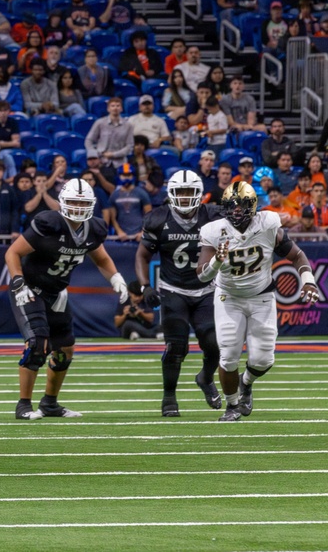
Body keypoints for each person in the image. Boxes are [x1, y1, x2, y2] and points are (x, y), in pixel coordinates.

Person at [6, 178, 128, 420]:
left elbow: (101, 259)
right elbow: (13, 252)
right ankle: (23, 405)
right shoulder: (49, 223)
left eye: (82, 203)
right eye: (73, 201)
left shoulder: (93, 228)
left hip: (57, 292)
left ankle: (50, 403)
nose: (78, 207)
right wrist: (18, 281)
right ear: (62, 202)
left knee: (65, 349)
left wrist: (116, 277)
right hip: (30, 288)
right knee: (37, 345)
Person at [198, 182, 320, 421]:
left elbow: (296, 255)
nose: (235, 211)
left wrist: (308, 280)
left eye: (241, 205)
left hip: (262, 296)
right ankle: (232, 406)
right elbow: (202, 275)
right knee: (229, 355)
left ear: (252, 206)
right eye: (231, 206)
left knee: (264, 359)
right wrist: (217, 262)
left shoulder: (268, 224)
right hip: (228, 297)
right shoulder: (213, 231)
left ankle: (246, 383)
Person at [134, 170, 223, 416]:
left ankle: (205, 378)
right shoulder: (158, 218)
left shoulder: (214, 216)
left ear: (199, 194)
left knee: (214, 344)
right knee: (175, 347)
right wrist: (145, 286)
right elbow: (142, 255)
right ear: (171, 194)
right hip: (173, 289)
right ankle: (169, 396)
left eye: (189, 192)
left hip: (206, 289)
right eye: (180, 193)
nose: (184, 198)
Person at [85, 97, 133, 168]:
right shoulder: (100, 123)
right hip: (101, 162)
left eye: (118, 106)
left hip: (121, 163)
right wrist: (95, 154)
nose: (115, 108)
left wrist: (114, 154)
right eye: (112, 106)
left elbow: (129, 146)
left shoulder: (128, 125)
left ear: (121, 109)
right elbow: (88, 140)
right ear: (108, 109)